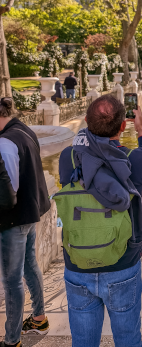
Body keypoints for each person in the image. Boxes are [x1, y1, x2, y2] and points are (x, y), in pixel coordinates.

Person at [58, 94, 142, 347]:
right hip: (123, 262)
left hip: (78, 263)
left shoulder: (68, 157)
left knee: (83, 342)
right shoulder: (135, 159)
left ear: (86, 122)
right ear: (124, 125)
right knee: (128, 340)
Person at [0, 97, 51, 347]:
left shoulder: (5, 142)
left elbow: (8, 192)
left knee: (11, 281)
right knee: (30, 264)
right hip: (32, 212)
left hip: (14, 220)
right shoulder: (23, 129)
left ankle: (11, 340)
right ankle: (39, 317)